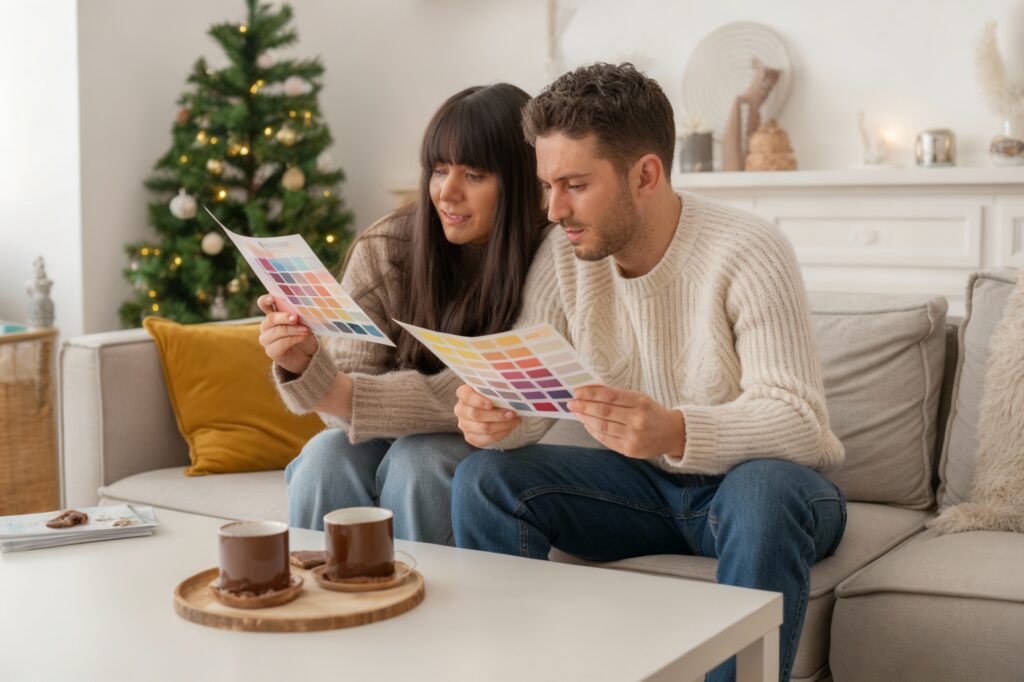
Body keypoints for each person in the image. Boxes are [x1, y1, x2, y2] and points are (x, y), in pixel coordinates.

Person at [450, 64, 846, 682]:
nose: (554, 210)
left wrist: (675, 431)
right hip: (639, 491)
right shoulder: (565, 255)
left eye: (575, 184)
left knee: (765, 492)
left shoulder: (749, 249)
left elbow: (800, 421)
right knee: (485, 480)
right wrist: (494, 416)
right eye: (547, 185)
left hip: (761, 491)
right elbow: (532, 403)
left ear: (646, 174)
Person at [258, 83, 546, 543]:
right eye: (438, 170)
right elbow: (342, 405)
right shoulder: (387, 246)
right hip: (391, 430)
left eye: (474, 175)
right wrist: (306, 364)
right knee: (324, 455)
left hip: (501, 440)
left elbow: (491, 387)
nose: (447, 193)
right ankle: (317, 603)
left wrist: (332, 388)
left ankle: (421, 606)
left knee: (421, 460)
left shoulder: (550, 256)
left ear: (520, 180)